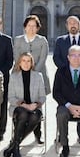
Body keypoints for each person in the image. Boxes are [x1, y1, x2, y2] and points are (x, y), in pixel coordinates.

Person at [53, 15, 80, 144]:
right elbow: (57, 58)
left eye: (75, 23)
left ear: (79, 25)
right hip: (65, 79)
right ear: (66, 26)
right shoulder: (60, 40)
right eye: (70, 23)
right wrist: (68, 71)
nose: (73, 25)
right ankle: (62, 136)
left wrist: (79, 69)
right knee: (63, 109)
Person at [14, 15, 49, 144]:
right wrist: (24, 69)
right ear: (25, 27)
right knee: (22, 103)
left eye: (34, 26)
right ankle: (17, 133)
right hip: (20, 74)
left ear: (38, 28)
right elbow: (17, 57)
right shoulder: (18, 40)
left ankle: (37, 134)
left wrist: (34, 73)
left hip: (38, 76)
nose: (31, 28)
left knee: (36, 105)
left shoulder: (42, 40)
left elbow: (43, 58)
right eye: (29, 25)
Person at [3, 52, 46, 157]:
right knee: (22, 114)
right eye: (23, 61)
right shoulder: (13, 77)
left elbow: (42, 96)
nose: (26, 63)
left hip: (34, 108)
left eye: (28, 61)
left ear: (32, 63)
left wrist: (35, 104)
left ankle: (14, 144)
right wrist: (24, 105)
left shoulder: (38, 76)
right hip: (19, 108)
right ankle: (16, 147)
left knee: (35, 117)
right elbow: (11, 97)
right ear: (19, 63)